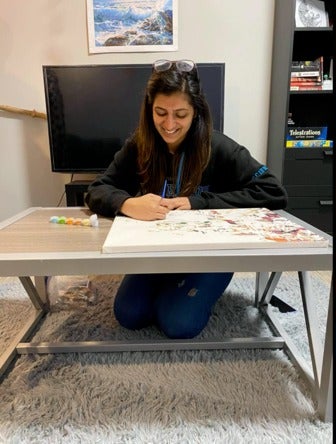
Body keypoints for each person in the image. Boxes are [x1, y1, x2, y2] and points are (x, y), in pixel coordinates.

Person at [85, 59, 288, 339]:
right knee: (129, 315)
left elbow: (273, 191)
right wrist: (128, 203)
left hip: (210, 255)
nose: (169, 124)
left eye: (180, 114)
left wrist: (199, 202)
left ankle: (184, 292)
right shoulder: (139, 145)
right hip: (157, 251)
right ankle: (173, 287)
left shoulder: (219, 147)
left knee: (179, 324)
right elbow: (96, 189)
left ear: (196, 112)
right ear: (149, 110)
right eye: (160, 112)